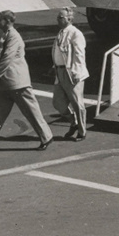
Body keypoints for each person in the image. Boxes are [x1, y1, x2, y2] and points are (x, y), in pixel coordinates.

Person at [0, 10, 53, 153]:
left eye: (0, 19)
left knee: (31, 112)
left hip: (17, 83)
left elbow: (6, 59)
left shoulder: (14, 37)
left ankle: (46, 136)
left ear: (6, 21)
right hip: (5, 84)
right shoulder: (6, 35)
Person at [51, 8, 89, 141]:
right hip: (60, 72)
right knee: (58, 102)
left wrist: (76, 72)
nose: (58, 19)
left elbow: (79, 54)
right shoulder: (61, 33)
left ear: (69, 19)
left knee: (77, 103)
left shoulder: (75, 34)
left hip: (71, 72)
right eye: (58, 17)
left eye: (60, 17)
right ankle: (74, 122)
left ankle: (82, 131)